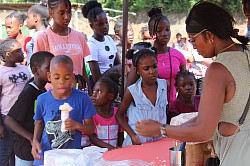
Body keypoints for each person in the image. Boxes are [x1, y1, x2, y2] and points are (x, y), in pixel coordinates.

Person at [135, 2, 250, 165]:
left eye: (193, 40)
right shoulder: (246, 52)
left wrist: (160, 129)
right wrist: (175, 128)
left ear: (209, 35)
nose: (193, 46)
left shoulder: (218, 69)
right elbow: (208, 117)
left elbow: (203, 130)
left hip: (239, 154)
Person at [31, 55, 96, 165]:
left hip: (71, 158)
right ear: (49, 76)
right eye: (56, 78)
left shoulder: (82, 98)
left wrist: (77, 125)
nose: (61, 82)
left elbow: (91, 129)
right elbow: (39, 121)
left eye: (66, 78)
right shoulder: (42, 99)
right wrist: (35, 141)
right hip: (46, 156)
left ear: (72, 77)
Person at [126, 7, 186, 104]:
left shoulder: (178, 56)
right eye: (159, 30)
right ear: (151, 33)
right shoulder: (142, 57)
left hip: (173, 110)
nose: (164, 33)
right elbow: (129, 89)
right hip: (148, 111)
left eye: (167, 29)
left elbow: (185, 83)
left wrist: (177, 105)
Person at [4, 51, 54, 166]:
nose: (52, 71)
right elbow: (9, 120)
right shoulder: (29, 92)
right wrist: (31, 137)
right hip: (25, 149)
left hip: (36, 147)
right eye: (48, 68)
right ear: (35, 70)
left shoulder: (42, 90)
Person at [33, 0, 92, 95]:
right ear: (51, 13)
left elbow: (82, 68)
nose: (67, 17)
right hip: (54, 95)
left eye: (69, 13)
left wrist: (89, 90)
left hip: (78, 93)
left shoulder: (79, 36)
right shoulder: (43, 38)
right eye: (61, 13)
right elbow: (39, 72)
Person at [116, 48, 168, 147]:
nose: (152, 71)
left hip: (159, 142)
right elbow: (119, 115)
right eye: (146, 68)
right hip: (138, 143)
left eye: (155, 66)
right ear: (137, 71)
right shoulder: (132, 91)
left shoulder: (164, 85)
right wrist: (132, 135)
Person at [0, 39, 31, 166]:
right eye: (18, 51)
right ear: (8, 54)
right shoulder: (1, 72)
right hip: (7, 117)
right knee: (5, 153)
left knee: (19, 150)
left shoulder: (25, 69)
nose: (22, 52)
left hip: (23, 117)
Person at [82, 0, 121, 89]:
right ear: (92, 26)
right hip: (100, 87)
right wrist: (113, 71)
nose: (105, 26)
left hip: (112, 84)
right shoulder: (92, 45)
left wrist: (115, 70)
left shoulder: (109, 39)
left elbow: (118, 64)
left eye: (106, 22)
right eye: (100, 24)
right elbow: (97, 79)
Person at [89, 73, 124, 150]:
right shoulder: (91, 114)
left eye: (99, 91)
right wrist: (111, 148)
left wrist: (120, 149)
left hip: (114, 155)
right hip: (96, 156)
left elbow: (121, 135)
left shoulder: (118, 114)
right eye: (94, 90)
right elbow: (92, 138)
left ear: (110, 96)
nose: (94, 95)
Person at [26, 3, 50, 68]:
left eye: (28, 17)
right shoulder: (48, 33)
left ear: (36, 17)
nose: (26, 21)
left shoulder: (38, 36)